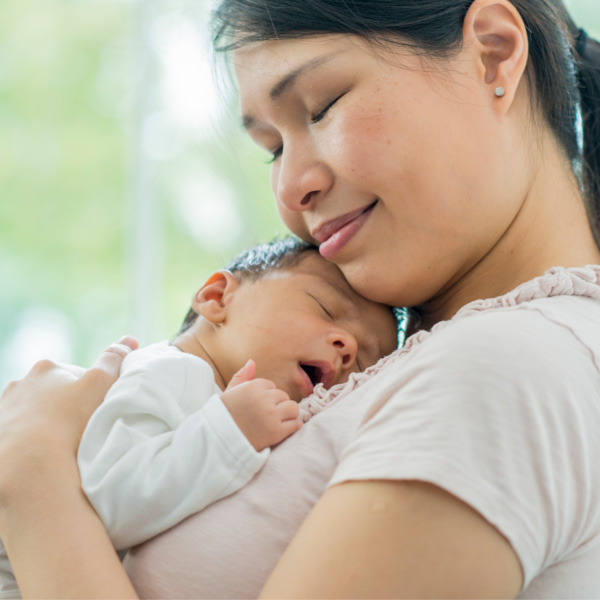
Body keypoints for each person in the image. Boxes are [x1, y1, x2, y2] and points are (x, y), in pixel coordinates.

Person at [1, 0, 600, 597]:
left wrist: (33, 477)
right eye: (273, 148)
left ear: (493, 55)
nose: (291, 188)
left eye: (323, 107)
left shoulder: (501, 370)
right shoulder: (424, 362)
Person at [0, 237, 397, 599]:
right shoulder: (174, 371)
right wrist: (228, 432)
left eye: (364, 360)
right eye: (327, 309)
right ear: (216, 296)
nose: (346, 347)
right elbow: (108, 501)